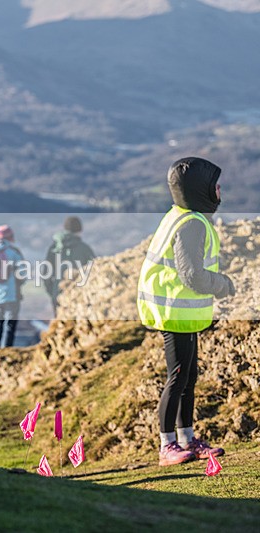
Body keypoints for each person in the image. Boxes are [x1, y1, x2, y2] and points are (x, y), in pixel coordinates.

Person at [136, 157, 235, 466]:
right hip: (175, 311)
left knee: (188, 377)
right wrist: (223, 285)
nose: (219, 190)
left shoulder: (182, 215)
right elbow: (191, 275)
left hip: (181, 310)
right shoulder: (191, 224)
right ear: (200, 190)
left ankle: (187, 439)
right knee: (178, 378)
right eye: (214, 185)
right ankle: (167, 446)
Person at [44, 216, 95, 316]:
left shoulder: (54, 248)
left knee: (61, 324)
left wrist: (52, 292)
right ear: (80, 230)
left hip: (58, 294)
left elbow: (46, 273)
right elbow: (95, 271)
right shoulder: (84, 249)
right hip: (79, 296)